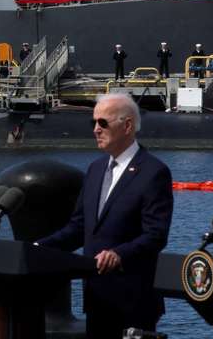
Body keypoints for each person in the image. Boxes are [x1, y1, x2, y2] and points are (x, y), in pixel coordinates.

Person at [35, 94, 172, 339]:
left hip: (134, 298)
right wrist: (37, 248)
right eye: (94, 123)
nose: (96, 129)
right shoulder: (96, 169)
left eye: (103, 123)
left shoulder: (154, 172)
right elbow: (79, 227)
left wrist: (119, 254)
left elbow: (156, 235)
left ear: (127, 125)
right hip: (97, 296)